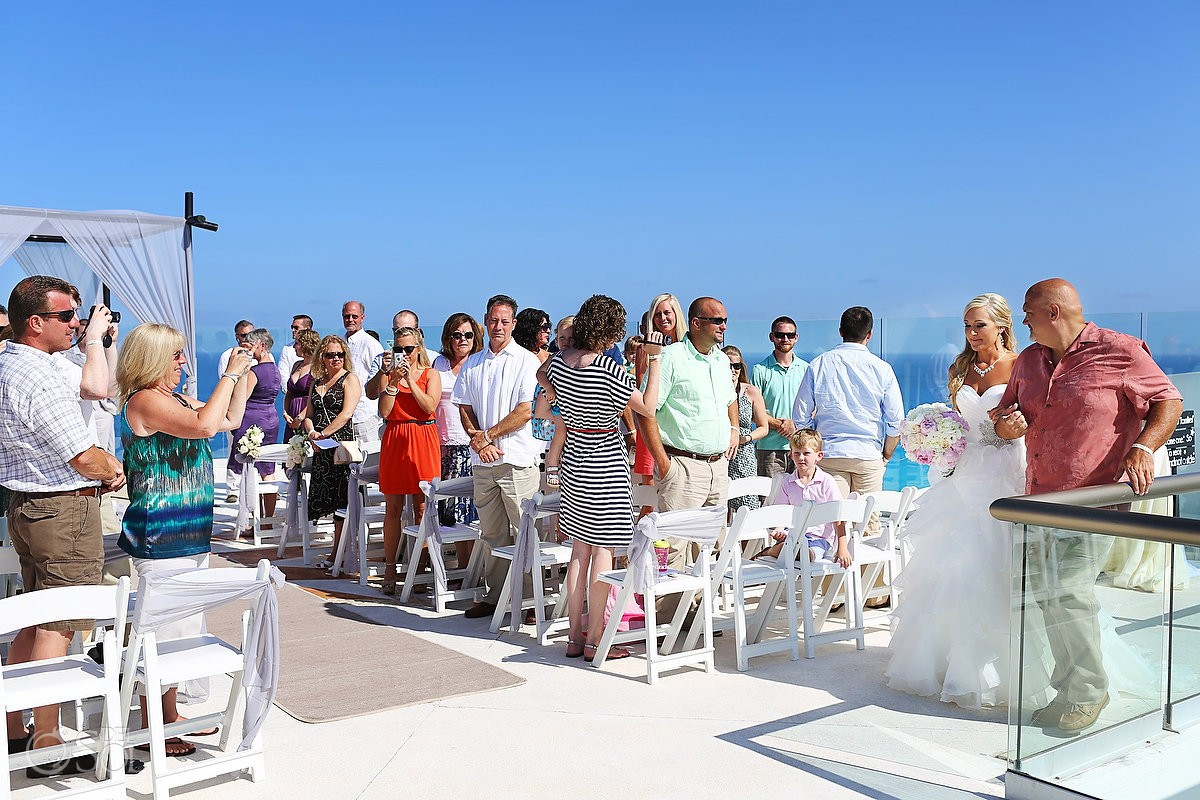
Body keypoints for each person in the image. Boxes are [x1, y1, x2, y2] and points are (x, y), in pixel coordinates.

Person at [991, 279, 1182, 731]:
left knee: (1070, 591)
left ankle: (1089, 692)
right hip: (1038, 502)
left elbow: (1168, 400)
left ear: (1053, 312)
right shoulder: (1029, 362)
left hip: (1094, 499)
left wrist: (1143, 448)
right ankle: (1070, 688)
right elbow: (1004, 414)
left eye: (1028, 312)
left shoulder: (1120, 350)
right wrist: (1008, 424)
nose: (1023, 321)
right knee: (1047, 597)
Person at [0, 276, 125, 772]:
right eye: (66, 316)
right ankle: (47, 741)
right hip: (61, 510)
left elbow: (96, 386)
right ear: (36, 323)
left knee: (34, 621)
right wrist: (114, 469)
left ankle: (15, 729)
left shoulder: (12, 361)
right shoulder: (39, 377)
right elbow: (81, 455)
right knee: (61, 622)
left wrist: (94, 341)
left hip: (27, 506)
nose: (75, 323)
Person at [116, 322, 253, 756]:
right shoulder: (144, 401)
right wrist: (227, 375)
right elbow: (203, 427)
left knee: (181, 630)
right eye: (175, 355)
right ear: (153, 358)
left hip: (188, 533)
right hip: (161, 534)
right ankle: (153, 725)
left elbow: (226, 419)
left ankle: (169, 716)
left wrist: (244, 378)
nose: (183, 363)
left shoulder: (171, 398)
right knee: (162, 632)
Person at [885, 293, 1027, 710]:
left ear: (1001, 325)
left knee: (992, 565)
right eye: (966, 326)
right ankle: (947, 663)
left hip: (1002, 475)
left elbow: (1031, 422)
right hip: (962, 475)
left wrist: (1009, 432)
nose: (970, 333)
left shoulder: (1020, 366)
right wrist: (939, 442)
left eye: (978, 325)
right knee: (949, 566)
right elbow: (961, 423)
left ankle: (999, 670)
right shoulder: (960, 368)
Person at [542, 295, 661, 660]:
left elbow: (540, 375)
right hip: (606, 457)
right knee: (604, 551)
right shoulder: (610, 368)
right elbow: (648, 407)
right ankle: (596, 639)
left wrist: (555, 398)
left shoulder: (560, 362)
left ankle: (574, 637)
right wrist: (654, 361)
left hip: (575, 454)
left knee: (579, 552)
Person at [641, 296, 738, 616]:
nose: (724, 326)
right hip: (681, 464)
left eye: (725, 320)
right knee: (673, 546)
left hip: (717, 466)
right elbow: (646, 411)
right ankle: (665, 621)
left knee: (709, 546)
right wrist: (663, 462)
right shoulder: (669, 358)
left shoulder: (722, 361)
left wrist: (734, 429)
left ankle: (695, 616)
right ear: (696, 323)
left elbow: (728, 401)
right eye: (717, 320)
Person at [450, 294, 541, 619]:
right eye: (493, 320)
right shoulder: (474, 362)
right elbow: (463, 406)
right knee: (491, 533)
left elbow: (525, 410)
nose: (498, 326)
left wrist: (488, 436)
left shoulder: (526, 362)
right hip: (482, 462)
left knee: (524, 532)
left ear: (513, 324)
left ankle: (531, 600)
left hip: (516, 460)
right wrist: (479, 441)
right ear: (485, 321)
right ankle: (495, 596)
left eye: (504, 321)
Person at [791, 306, 904, 533]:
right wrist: (886, 454)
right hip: (868, 454)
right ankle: (869, 568)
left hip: (830, 453)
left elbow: (800, 417)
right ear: (870, 334)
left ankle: (833, 568)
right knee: (868, 525)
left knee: (834, 524)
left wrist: (812, 448)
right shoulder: (882, 368)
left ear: (840, 331)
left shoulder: (819, 364)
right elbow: (895, 420)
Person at [377, 326, 442, 595]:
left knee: (422, 507)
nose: (404, 354)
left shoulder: (431, 374)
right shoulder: (387, 376)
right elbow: (384, 410)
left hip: (422, 436)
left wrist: (411, 382)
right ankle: (391, 567)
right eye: (399, 349)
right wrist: (392, 382)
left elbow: (430, 406)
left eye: (408, 349)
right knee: (392, 509)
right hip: (395, 436)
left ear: (418, 349)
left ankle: (421, 565)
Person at [296, 335, 362, 570]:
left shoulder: (349, 379)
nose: (336, 359)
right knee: (330, 502)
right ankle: (338, 550)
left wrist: (324, 434)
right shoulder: (317, 381)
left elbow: (346, 414)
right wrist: (312, 430)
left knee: (342, 500)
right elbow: (308, 414)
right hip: (321, 448)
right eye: (331, 355)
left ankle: (338, 552)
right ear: (322, 357)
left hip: (340, 446)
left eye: (340, 354)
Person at [751, 429, 850, 567]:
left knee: (806, 554)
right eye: (797, 453)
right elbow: (782, 513)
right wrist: (779, 530)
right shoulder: (787, 482)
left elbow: (838, 517)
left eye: (806, 453)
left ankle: (769, 552)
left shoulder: (827, 481)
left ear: (819, 456)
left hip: (818, 539)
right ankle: (769, 552)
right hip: (791, 536)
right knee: (789, 548)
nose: (801, 458)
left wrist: (842, 547)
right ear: (791, 455)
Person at [432, 313, 484, 571]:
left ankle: (471, 572)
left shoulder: (479, 364)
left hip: (473, 443)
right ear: (448, 337)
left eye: (467, 335)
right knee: (450, 513)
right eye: (457, 335)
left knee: (472, 513)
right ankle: (461, 570)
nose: (462, 340)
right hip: (444, 446)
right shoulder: (438, 364)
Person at [632, 294, 688, 486]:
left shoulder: (688, 348)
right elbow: (643, 392)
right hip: (653, 426)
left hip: (681, 429)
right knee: (649, 498)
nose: (662, 318)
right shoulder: (644, 349)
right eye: (657, 314)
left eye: (667, 313)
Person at [227, 330, 282, 522]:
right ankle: (268, 518)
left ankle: (255, 519)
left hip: (253, 419)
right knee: (268, 470)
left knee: (251, 471)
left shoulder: (256, 372)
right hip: (271, 418)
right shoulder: (275, 370)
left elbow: (242, 397)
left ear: (262, 346)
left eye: (252, 346)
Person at [751, 316, 808, 477]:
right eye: (780, 335)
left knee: (802, 498)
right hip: (769, 448)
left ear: (796, 337)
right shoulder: (760, 370)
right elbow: (753, 413)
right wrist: (780, 425)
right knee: (770, 498)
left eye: (790, 335)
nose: (785, 339)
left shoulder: (806, 369)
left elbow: (815, 408)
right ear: (771, 337)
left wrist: (794, 425)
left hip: (801, 447)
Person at [723, 345, 769, 512]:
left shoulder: (750, 392)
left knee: (747, 503)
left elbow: (764, 427)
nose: (733, 370)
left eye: (737, 366)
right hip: (720, 451)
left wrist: (746, 438)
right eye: (729, 366)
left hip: (743, 454)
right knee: (720, 506)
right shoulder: (715, 391)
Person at [217, 319, 256, 502]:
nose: (247, 339)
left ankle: (254, 485)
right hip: (235, 408)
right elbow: (225, 382)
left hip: (256, 408)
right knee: (234, 447)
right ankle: (233, 488)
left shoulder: (262, 357)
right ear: (237, 337)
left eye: (251, 335)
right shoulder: (228, 356)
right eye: (243, 335)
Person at [342, 300, 383, 442]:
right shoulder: (341, 343)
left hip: (365, 415)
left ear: (362, 318)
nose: (350, 320)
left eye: (354, 316)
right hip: (344, 416)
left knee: (368, 462)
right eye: (347, 316)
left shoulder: (371, 344)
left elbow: (382, 376)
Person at [282, 328, 321, 438]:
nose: (294, 346)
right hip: (292, 414)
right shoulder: (296, 365)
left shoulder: (317, 368)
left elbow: (315, 395)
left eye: (297, 343)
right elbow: (289, 393)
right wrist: (285, 412)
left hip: (307, 414)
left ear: (306, 345)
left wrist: (300, 417)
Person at [277, 314, 313, 388]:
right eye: (292, 327)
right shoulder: (287, 349)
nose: (293, 330)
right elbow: (283, 374)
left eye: (296, 328)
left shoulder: (318, 348)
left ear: (308, 328)